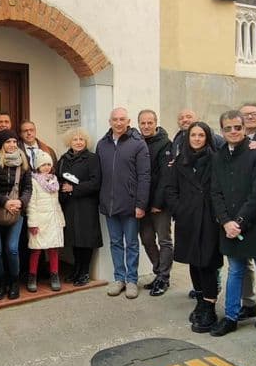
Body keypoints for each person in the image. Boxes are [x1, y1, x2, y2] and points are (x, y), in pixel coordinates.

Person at [210, 110, 256, 350]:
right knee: (235, 272)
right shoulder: (218, 155)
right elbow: (216, 192)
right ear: (222, 131)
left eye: (237, 128)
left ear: (244, 129)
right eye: (228, 128)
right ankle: (230, 318)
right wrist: (225, 221)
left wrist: (239, 221)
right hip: (229, 226)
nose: (233, 132)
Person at [165, 122, 223, 333]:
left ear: (207, 137)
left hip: (208, 218)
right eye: (193, 135)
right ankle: (200, 299)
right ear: (188, 138)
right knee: (192, 260)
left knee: (206, 261)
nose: (197, 139)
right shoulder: (180, 160)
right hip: (187, 218)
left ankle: (209, 306)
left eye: (201, 135)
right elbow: (170, 189)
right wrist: (180, 209)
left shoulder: (217, 159)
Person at [97, 107, 150, 299]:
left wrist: (141, 204)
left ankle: (132, 281)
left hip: (130, 204)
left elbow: (144, 176)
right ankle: (119, 278)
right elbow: (99, 176)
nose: (118, 123)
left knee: (132, 244)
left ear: (128, 121)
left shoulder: (138, 144)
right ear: (109, 121)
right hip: (109, 204)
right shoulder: (102, 144)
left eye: (122, 119)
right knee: (116, 243)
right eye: (115, 119)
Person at [0, 129, 32, 299]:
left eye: (14, 141)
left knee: (12, 249)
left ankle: (14, 282)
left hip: (16, 212)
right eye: (8, 142)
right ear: (0, 145)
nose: (12, 145)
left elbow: (28, 188)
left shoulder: (23, 160)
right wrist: (4, 202)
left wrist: (21, 202)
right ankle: (1, 283)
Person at [57, 127, 102, 287]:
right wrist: (62, 188)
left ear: (86, 142)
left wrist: (74, 189)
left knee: (86, 239)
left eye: (81, 139)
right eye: (75, 139)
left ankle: (84, 272)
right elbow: (57, 178)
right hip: (69, 205)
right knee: (74, 239)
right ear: (70, 142)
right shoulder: (63, 159)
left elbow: (95, 182)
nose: (78, 142)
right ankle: (76, 269)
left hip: (86, 204)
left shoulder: (92, 158)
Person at [137, 109, 174, 296]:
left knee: (164, 240)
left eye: (149, 123)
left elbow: (165, 177)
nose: (146, 126)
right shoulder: (137, 142)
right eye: (142, 123)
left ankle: (164, 277)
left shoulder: (166, 144)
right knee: (147, 239)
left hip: (160, 204)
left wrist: (158, 203)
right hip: (142, 203)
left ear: (156, 123)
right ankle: (159, 272)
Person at [26, 151, 65, 292]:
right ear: (37, 166)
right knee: (36, 250)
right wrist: (33, 223)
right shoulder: (34, 181)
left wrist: (60, 219)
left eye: (49, 164)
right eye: (43, 165)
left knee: (54, 249)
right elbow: (31, 203)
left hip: (53, 220)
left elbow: (57, 202)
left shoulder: (54, 180)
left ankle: (54, 275)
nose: (47, 167)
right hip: (40, 221)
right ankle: (32, 276)